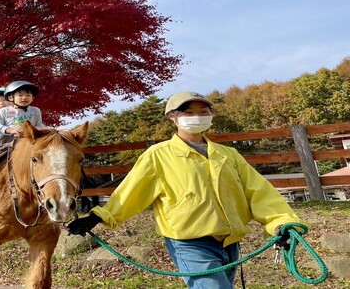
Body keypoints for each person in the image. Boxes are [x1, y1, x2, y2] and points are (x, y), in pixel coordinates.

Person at [67, 91, 306, 289]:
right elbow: (132, 192)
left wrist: (280, 223)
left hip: (230, 242)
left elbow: (258, 191)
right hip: (190, 244)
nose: (197, 117)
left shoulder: (228, 155)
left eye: (204, 112)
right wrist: (100, 216)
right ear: (173, 118)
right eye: (189, 113)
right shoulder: (158, 155)